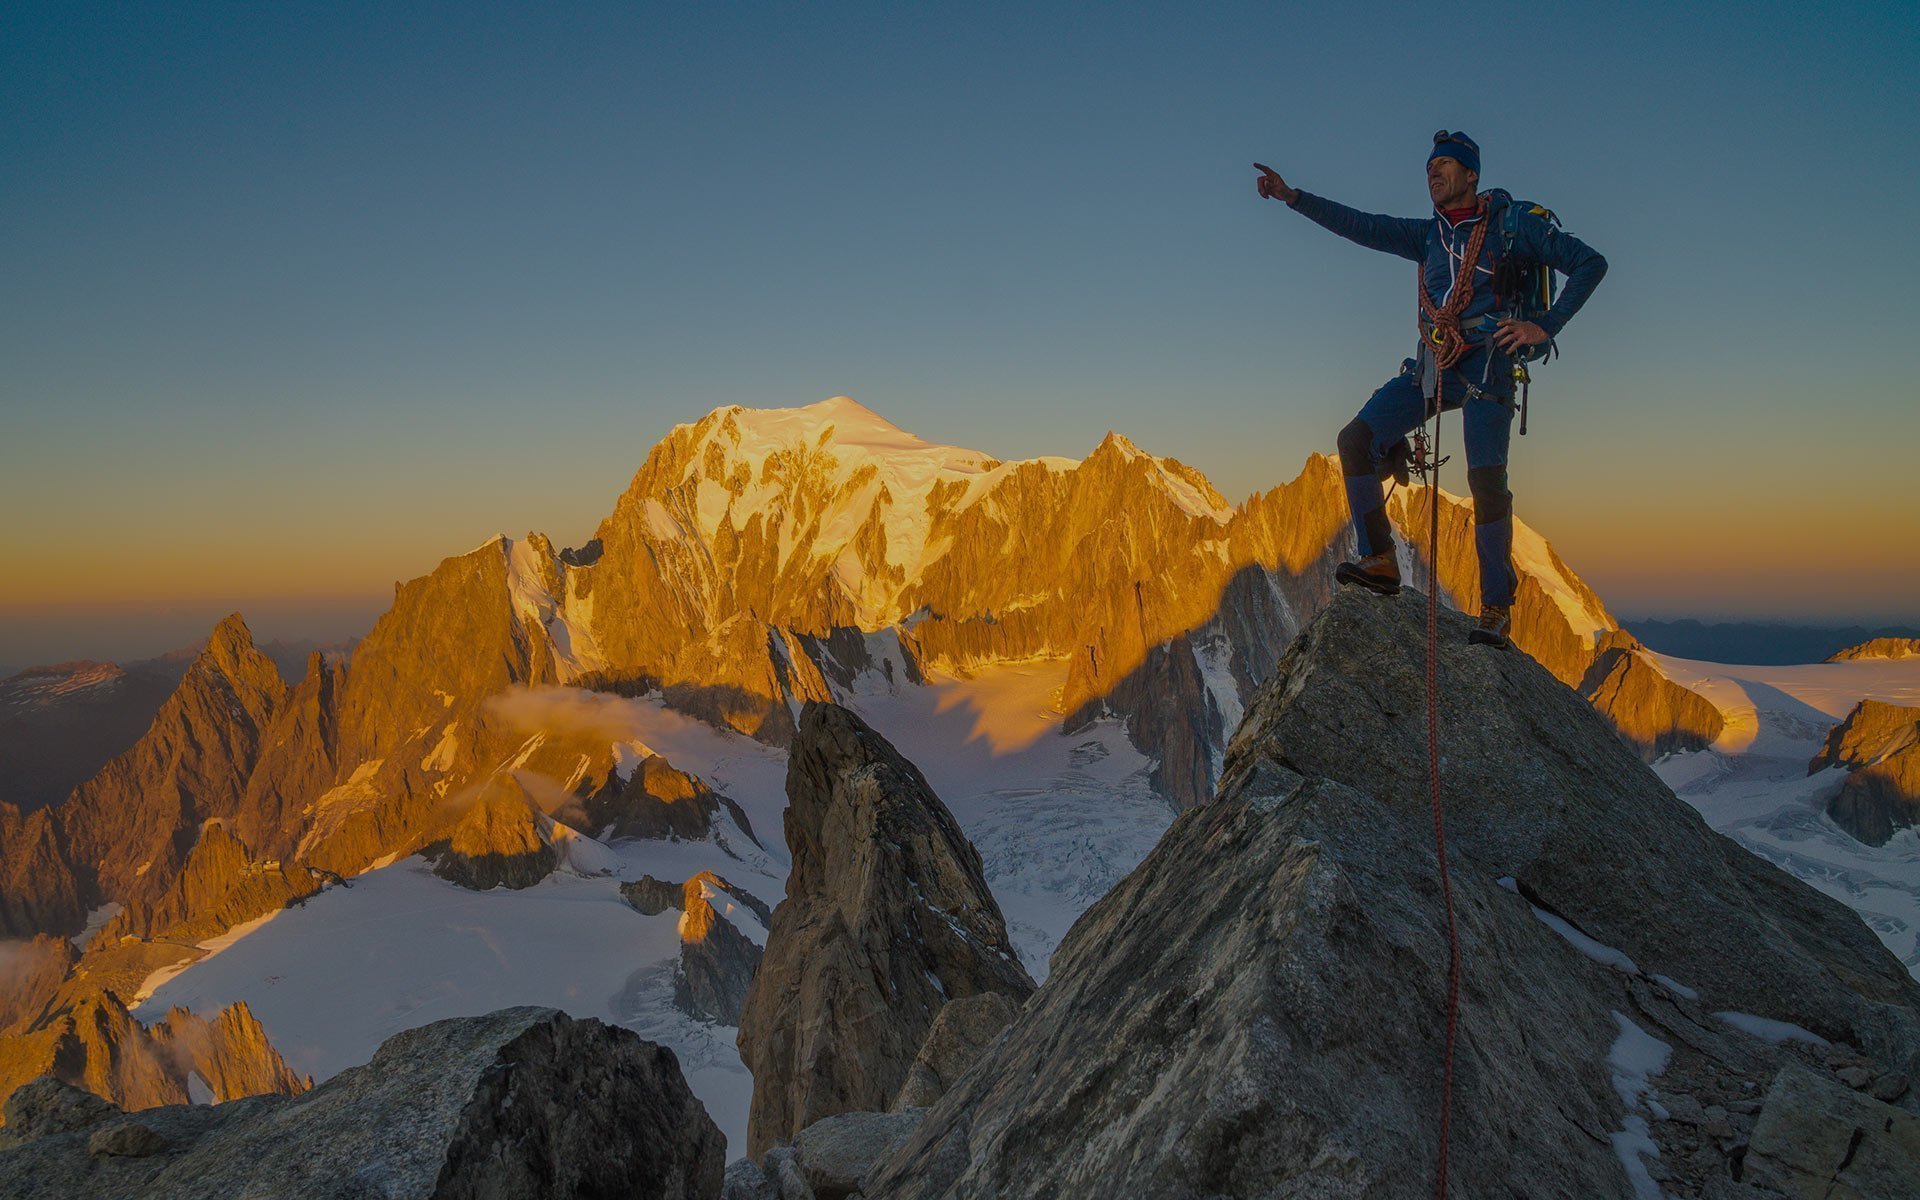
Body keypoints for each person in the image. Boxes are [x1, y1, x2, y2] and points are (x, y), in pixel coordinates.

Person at [1255, 131, 1607, 645]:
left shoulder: (1512, 229)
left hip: (1489, 363)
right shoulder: (1427, 235)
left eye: (1445, 165)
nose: (1433, 173)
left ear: (1471, 175)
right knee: (1356, 439)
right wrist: (1293, 198)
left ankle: (1495, 607)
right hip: (1436, 365)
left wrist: (1545, 326)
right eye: (1429, 167)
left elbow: (1590, 263)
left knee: (1487, 481)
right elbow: (1363, 227)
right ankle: (1380, 558)